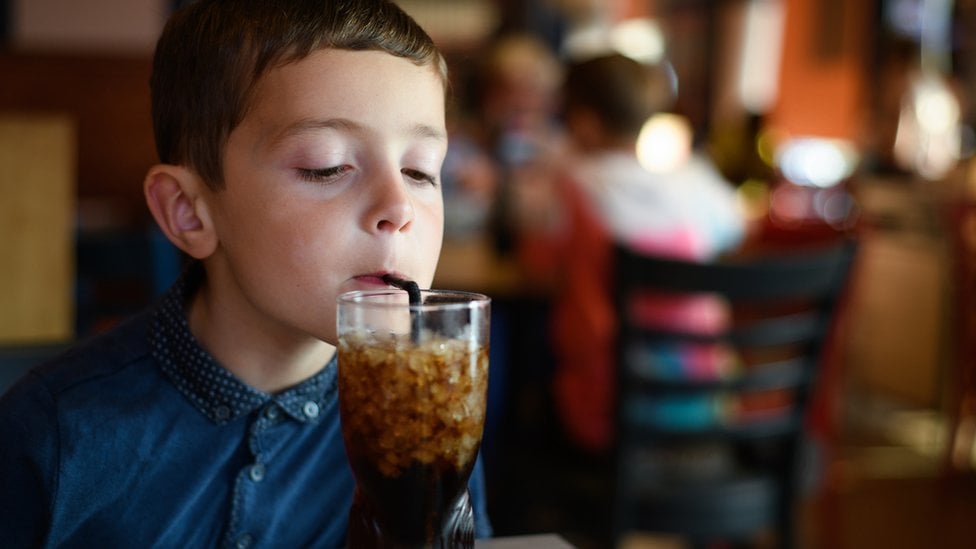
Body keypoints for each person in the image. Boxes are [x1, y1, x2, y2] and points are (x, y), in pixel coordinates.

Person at [0, 1, 493, 546]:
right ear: (189, 211)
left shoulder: (424, 411)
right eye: (325, 165)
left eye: (421, 170)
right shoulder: (52, 434)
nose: (398, 209)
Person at [516, 53, 746, 455]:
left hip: (608, 409)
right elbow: (737, 227)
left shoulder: (571, 188)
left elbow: (535, 269)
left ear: (583, 122)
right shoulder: (692, 184)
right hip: (703, 399)